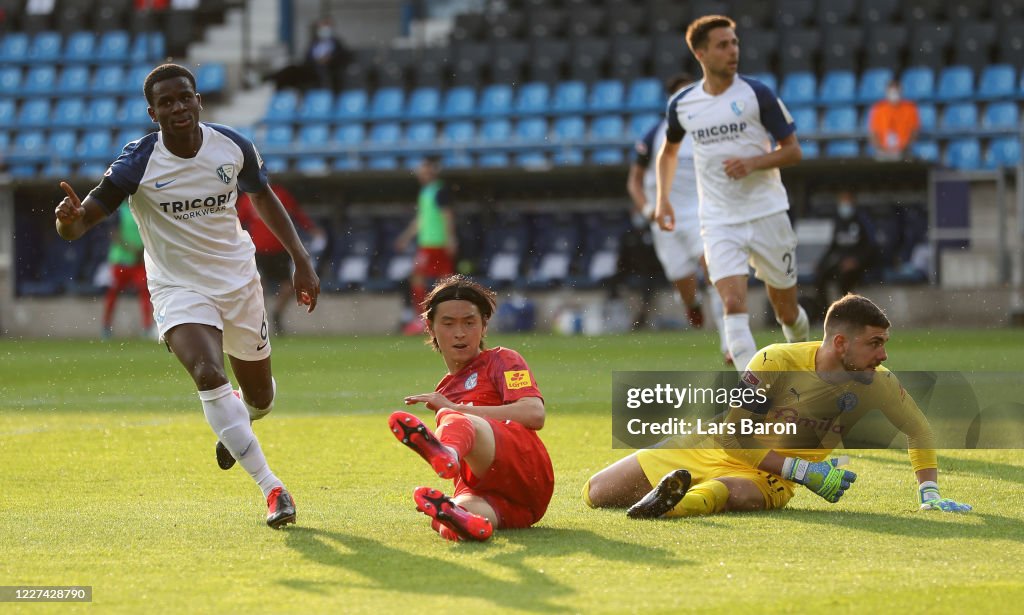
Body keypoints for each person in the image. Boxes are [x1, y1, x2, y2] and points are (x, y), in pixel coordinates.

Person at [53, 63, 320, 529]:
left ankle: (238, 424)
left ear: (199, 101)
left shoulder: (232, 146)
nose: (178, 107)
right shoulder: (137, 161)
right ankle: (273, 488)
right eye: (166, 102)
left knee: (260, 400)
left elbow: (263, 195)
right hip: (177, 287)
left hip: (238, 281)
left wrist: (301, 258)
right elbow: (79, 225)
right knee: (206, 371)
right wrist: (66, 219)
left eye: (185, 97)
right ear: (152, 113)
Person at [583, 294, 972, 519]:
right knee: (596, 493)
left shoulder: (877, 381)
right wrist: (804, 470)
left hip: (767, 478)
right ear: (840, 343)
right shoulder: (775, 362)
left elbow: (919, 428)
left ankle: (671, 506)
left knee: (737, 493)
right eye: (874, 343)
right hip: (711, 445)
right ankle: (677, 493)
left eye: (884, 343)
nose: (882, 354)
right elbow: (735, 436)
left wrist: (930, 493)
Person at [654, 14, 810, 372]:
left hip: (767, 212)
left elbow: (794, 150)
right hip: (719, 219)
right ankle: (754, 397)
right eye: (723, 45)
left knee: (786, 310)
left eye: (735, 43)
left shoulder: (757, 93)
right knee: (733, 303)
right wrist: (662, 198)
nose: (733, 51)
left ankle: (802, 359)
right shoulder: (683, 104)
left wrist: (754, 162)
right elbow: (669, 151)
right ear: (701, 53)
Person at [388, 274, 554, 541]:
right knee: (449, 517)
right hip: (510, 502)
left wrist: (456, 408)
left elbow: (534, 414)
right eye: (448, 323)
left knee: (451, 416)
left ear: (484, 325)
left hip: (526, 468)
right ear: (430, 328)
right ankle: (461, 521)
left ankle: (447, 454)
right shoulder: (444, 391)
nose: (460, 333)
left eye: (469, 322)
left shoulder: (503, 360)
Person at [628, 71, 728, 355]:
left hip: (699, 214)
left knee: (713, 269)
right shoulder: (655, 133)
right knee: (683, 279)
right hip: (665, 218)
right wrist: (648, 209)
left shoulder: (710, 134)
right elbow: (634, 180)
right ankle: (691, 304)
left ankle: (728, 343)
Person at [236, 184, 326, 335]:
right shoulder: (246, 199)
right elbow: (236, 221)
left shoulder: (280, 195)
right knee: (257, 285)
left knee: (289, 285)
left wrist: (311, 229)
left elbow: (296, 215)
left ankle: (276, 312)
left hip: (279, 249)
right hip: (258, 249)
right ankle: (259, 319)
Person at [394, 156, 457, 335]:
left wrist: (451, 238)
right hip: (427, 243)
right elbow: (422, 220)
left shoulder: (439, 191)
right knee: (442, 281)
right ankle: (436, 318)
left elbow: (447, 215)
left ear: (432, 170)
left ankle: (426, 319)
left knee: (438, 281)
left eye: (425, 169)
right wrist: (406, 237)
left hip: (437, 243)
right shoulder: (426, 192)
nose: (422, 173)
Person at [813, 191, 876, 318]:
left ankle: (851, 315)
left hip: (858, 265)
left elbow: (871, 247)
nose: (844, 205)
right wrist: (820, 262)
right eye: (842, 202)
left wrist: (856, 261)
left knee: (844, 280)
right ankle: (825, 314)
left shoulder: (862, 221)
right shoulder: (839, 222)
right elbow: (833, 246)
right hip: (840, 263)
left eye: (847, 202)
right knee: (820, 276)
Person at [101, 204, 153, 339]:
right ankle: (106, 327)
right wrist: (131, 248)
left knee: (145, 293)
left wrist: (143, 250)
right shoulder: (120, 211)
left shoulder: (143, 208)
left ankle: (147, 327)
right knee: (112, 294)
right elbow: (113, 234)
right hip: (120, 261)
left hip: (138, 262)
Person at [868, 80, 920, 161]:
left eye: (896, 91)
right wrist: (881, 149)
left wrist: (904, 149)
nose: (894, 94)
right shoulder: (878, 108)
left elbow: (914, 132)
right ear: (887, 92)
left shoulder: (910, 108)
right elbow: (873, 133)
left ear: (901, 91)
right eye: (892, 91)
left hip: (904, 152)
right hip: (883, 152)